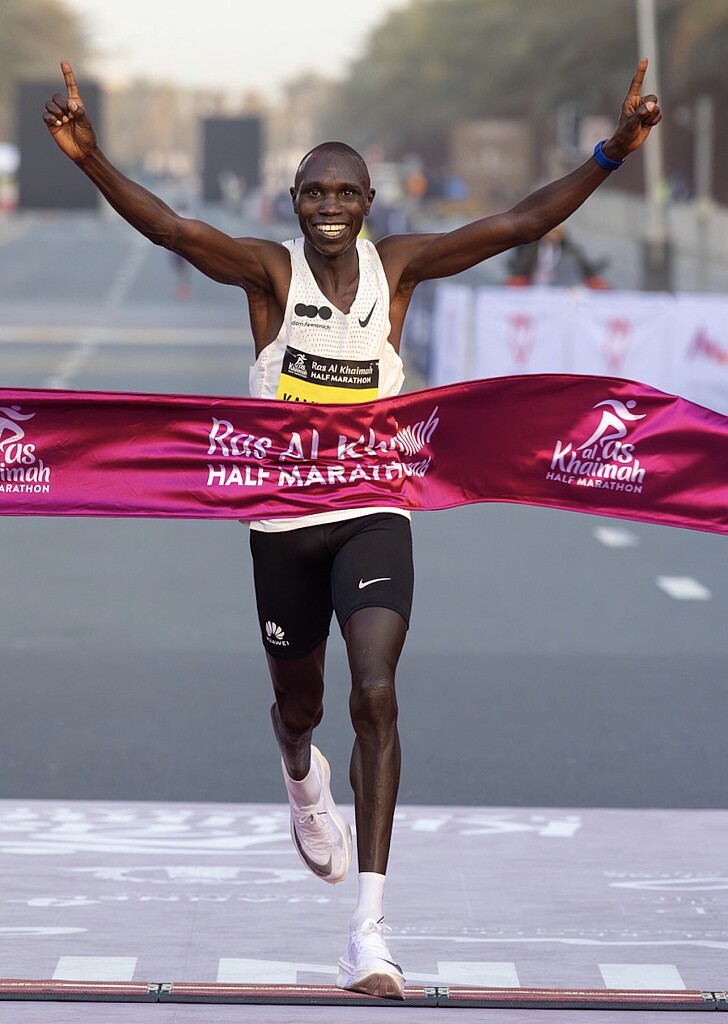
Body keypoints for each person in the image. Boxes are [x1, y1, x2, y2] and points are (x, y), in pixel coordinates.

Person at [43, 58, 660, 1000]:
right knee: (303, 708)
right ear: (293, 202)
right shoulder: (268, 273)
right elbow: (170, 227)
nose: (329, 205)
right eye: (314, 192)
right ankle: (300, 771)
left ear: (369, 202)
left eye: (345, 192)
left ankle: (367, 935)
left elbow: (519, 224)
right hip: (282, 525)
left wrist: (613, 150)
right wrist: (90, 159)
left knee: (376, 694)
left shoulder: (396, 269)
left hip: (373, 511)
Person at [506, 222, 610, 288]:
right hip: (537, 287)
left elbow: (587, 268)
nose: (553, 235)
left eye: (556, 232)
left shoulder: (572, 251)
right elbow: (522, 267)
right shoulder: (533, 249)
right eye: (551, 232)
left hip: (565, 288)